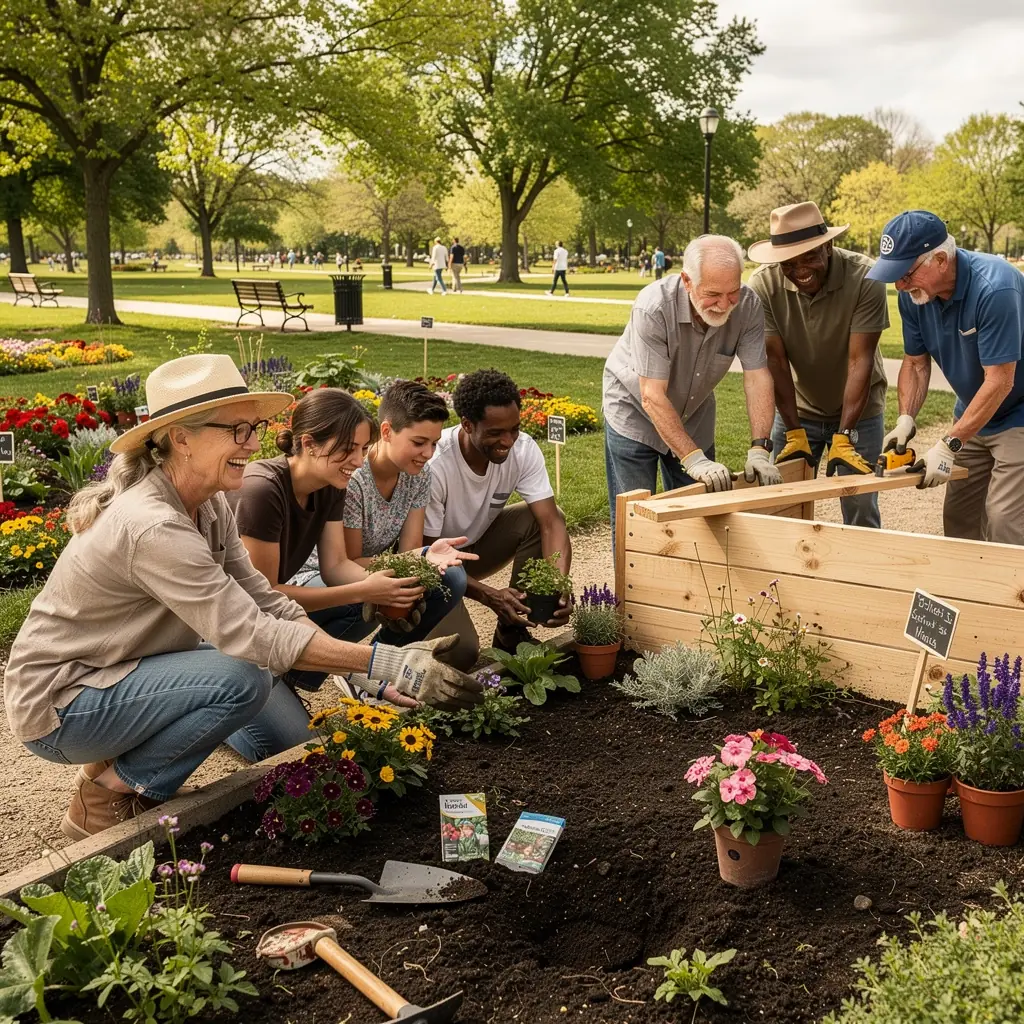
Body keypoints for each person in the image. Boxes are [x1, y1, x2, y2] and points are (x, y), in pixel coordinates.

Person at [2, 355, 482, 839]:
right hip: (60, 706)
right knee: (243, 677)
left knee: (247, 673)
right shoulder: (154, 526)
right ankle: (107, 798)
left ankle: (112, 768)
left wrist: (368, 674)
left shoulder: (207, 504)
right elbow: (247, 632)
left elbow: (267, 601)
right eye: (238, 430)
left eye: (253, 428)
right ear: (181, 438)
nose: (253, 443)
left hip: (109, 676)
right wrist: (389, 663)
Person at [603, 234, 782, 540]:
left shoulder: (749, 305)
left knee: (700, 520)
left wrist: (760, 448)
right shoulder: (653, 306)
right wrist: (693, 459)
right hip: (633, 413)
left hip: (694, 415)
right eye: (713, 294)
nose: (724, 304)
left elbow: (757, 378)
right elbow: (651, 396)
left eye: (732, 292)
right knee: (634, 524)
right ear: (687, 281)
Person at [868, 210, 1024, 545]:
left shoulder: (994, 288)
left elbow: (1000, 381)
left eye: (905, 273)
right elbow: (915, 363)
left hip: (1018, 412)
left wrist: (949, 444)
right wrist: (906, 418)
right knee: (959, 517)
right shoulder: (914, 297)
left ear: (940, 259)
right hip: (973, 408)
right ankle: (970, 581)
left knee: (1005, 520)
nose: (899, 285)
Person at [747, 201, 890, 528]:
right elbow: (776, 362)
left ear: (828, 246)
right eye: (788, 262)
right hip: (799, 409)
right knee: (782, 502)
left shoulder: (865, 277)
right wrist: (794, 430)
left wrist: (845, 434)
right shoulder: (763, 285)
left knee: (859, 502)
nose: (800, 269)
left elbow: (860, 360)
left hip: (860, 412)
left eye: (809, 257)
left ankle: (858, 562)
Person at [423, 370, 572, 669]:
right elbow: (426, 557)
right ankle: (395, 645)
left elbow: (550, 524)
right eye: (495, 433)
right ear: (467, 424)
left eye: (514, 429)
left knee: (547, 515)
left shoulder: (523, 449)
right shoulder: (436, 465)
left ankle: (511, 632)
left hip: (474, 551)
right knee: (459, 654)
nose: (508, 441)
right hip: (430, 566)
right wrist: (490, 596)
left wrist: (558, 586)